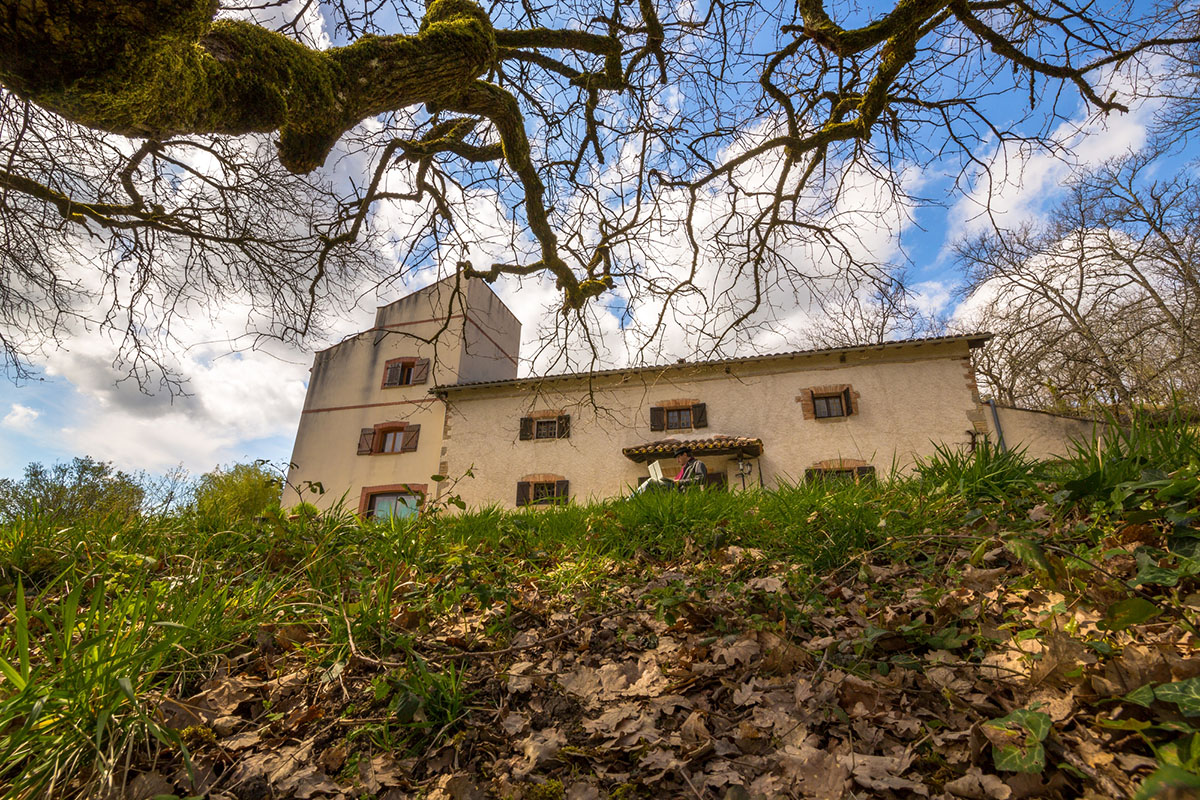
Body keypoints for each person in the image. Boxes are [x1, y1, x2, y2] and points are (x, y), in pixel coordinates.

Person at [632, 446, 708, 494]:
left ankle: (630, 499)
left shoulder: (698, 464)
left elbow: (701, 479)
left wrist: (679, 482)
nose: (677, 460)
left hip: (683, 493)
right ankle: (634, 502)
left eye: (678, 457)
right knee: (653, 489)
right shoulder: (685, 468)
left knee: (651, 481)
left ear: (685, 455)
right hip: (676, 490)